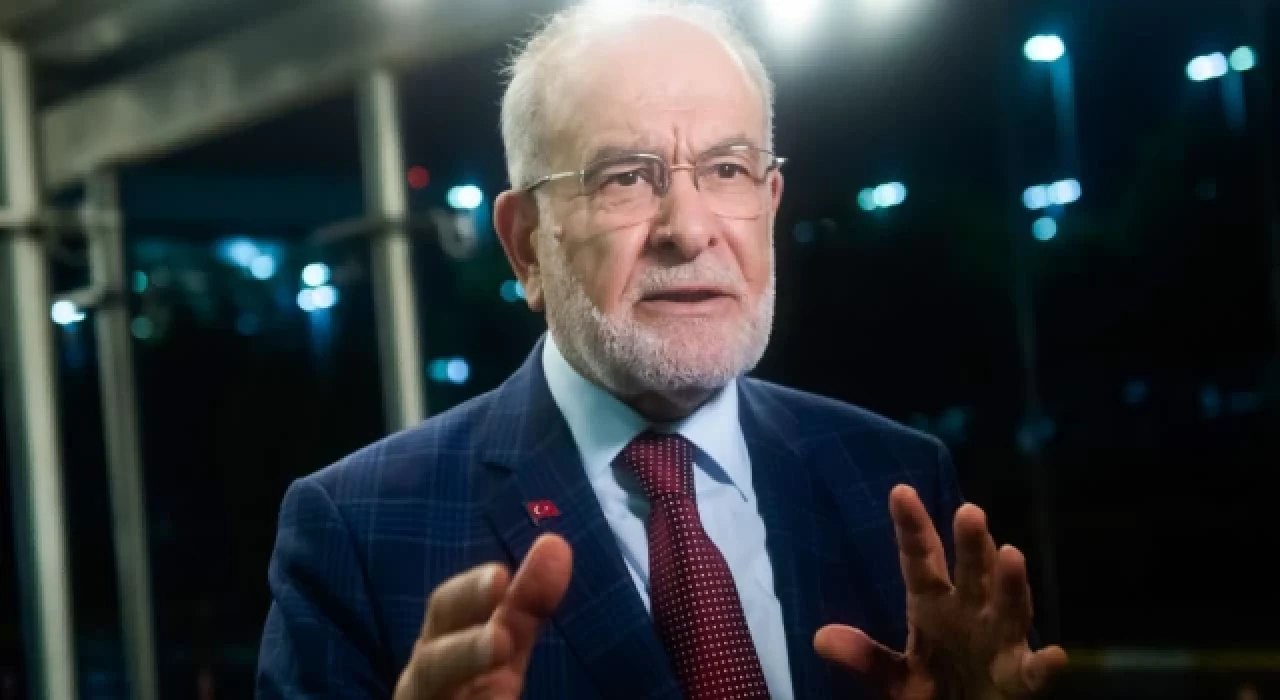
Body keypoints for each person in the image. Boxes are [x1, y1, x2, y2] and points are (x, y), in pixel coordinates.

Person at [256, 1, 1069, 698]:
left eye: (727, 169)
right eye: (624, 176)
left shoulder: (895, 478)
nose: (689, 228)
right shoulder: (358, 532)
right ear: (527, 245)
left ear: (770, 202)